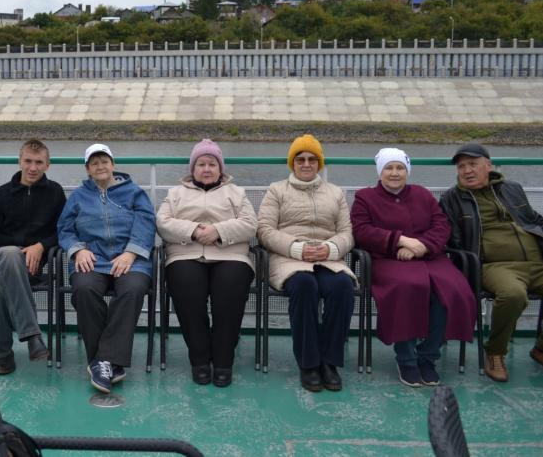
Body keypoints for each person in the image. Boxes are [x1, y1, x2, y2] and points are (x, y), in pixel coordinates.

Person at [351, 148, 476, 387]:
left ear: (407, 171)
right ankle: (407, 359)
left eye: (400, 168)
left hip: (430, 257)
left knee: (453, 291)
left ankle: (428, 357)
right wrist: (401, 240)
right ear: (380, 172)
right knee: (407, 288)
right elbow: (362, 230)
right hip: (389, 259)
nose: (394, 173)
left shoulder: (422, 194)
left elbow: (441, 225)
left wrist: (421, 246)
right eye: (389, 168)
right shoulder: (365, 197)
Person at [257, 134, 355, 392]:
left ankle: (330, 362)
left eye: (312, 159)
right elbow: (265, 230)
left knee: (342, 287)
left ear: (319, 163)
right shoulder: (276, 190)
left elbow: (346, 232)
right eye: (300, 159)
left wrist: (331, 248)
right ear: (292, 163)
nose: (306, 164)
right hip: (288, 257)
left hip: (328, 257)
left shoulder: (335, 193)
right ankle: (309, 363)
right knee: (304, 286)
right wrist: (296, 248)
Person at [156, 139, 257, 387]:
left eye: (212, 164)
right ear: (193, 168)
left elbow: (250, 224)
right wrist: (192, 231)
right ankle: (199, 360)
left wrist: (218, 231)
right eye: (201, 164)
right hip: (185, 254)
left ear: (220, 168)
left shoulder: (237, 193)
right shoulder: (175, 194)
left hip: (230, 255)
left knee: (229, 291)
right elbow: (162, 222)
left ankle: (223, 361)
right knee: (187, 288)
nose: (207, 169)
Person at [57, 143, 156, 394]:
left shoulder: (134, 193)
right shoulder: (78, 197)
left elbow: (146, 224)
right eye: (94, 163)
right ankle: (109, 362)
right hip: (93, 258)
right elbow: (65, 229)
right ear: (88, 169)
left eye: (104, 161)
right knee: (84, 288)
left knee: (132, 289)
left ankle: (103, 361)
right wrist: (78, 250)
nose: (100, 166)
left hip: (131, 258)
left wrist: (130, 253)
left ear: (113, 165)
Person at [440, 143, 543, 382]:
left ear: (488, 165)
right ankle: (495, 352)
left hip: (536, 260)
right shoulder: (452, 198)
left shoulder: (512, 189)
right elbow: (452, 241)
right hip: (494, 266)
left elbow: (533, 219)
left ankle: (540, 348)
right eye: (461, 167)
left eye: (473, 164)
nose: (467, 171)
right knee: (513, 295)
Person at [0, 139, 66, 375]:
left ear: (47, 165)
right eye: (28, 161)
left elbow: (64, 232)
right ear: (19, 161)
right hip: (2, 257)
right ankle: (32, 335)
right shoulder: (2, 194)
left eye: (39, 162)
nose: (32, 168)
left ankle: (2, 354)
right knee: (10, 252)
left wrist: (41, 246)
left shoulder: (55, 193)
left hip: (33, 265)